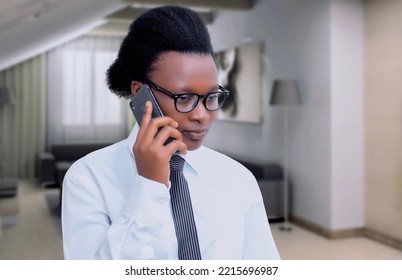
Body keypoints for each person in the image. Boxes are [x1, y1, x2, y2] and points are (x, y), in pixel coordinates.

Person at [61, 5, 280, 260]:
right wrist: (149, 186)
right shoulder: (87, 179)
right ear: (140, 93)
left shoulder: (239, 179)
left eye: (211, 96)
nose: (202, 114)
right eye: (184, 98)